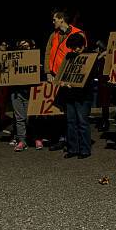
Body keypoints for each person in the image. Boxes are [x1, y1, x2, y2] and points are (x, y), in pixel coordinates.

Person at [44, 11, 87, 151]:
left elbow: (82, 54)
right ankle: (63, 139)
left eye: (54, 19)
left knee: (72, 113)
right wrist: (48, 72)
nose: (53, 22)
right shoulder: (54, 35)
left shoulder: (78, 32)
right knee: (59, 111)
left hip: (70, 76)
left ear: (62, 19)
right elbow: (48, 53)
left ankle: (75, 142)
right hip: (56, 77)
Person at [58, 33, 94, 159]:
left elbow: (89, 77)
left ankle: (85, 149)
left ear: (83, 45)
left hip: (83, 95)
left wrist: (75, 83)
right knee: (71, 122)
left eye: (78, 47)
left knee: (82, 122)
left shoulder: (90, 57)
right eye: (73, 47)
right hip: (70, 94)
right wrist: (62, 82)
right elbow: (63, 73)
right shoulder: (69, 57)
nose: (75, 50)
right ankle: (73, 149)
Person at [10, 39, 44, 152]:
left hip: (31, 91)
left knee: (32, 117)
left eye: (26, 46)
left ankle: (37, 138)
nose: (24, 48)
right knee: (20, 118)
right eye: (22, 46)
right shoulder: (13, 60)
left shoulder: (36, 58)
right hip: (17, 91)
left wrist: (39, 68)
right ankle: (22, 141)